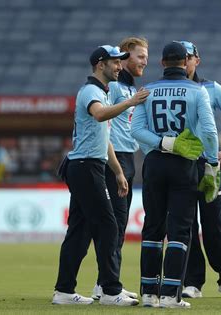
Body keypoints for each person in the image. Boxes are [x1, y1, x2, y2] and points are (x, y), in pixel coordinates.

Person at [52, 45, 146, 306]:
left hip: (87, 165)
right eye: (115, 62)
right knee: (107, 225)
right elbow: (99, 114)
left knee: (79, 231)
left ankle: (64, 291)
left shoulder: (101, 92)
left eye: (120, 62)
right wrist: (128, 102)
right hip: (85, 167)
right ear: (100, 64)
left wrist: (117, 172)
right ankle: (109, 290)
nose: (119, 66)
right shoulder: (92, 92)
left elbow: (104, 138)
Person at [131, 41, 220, 309]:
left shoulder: (147, 91)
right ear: (185, 63)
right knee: (180, 230)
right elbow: (210, 132)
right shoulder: (198, 91)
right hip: (185, 164)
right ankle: (171, 294)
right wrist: (212, 166)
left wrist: (163, 143)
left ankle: (148, 292)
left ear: (162, 63)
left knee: (153, 227)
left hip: (155, 162)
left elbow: (136, 131)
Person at [175, 40, 221, 299]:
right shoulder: (170, 90)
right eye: (181, 58)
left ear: (197, 60)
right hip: (180, 165)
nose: (185, 63)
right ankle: (192, 282)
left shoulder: (211, 88)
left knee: (214, 221)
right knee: (187, 224)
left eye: (189, 58)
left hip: (208, 166)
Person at [91, 37, 150, 300]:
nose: (145, 61)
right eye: (140, 56)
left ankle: (106, 282)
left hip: (128, 159)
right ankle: (106, 286)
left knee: (119, 224)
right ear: (125, 58)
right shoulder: (115, 88)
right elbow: (103, 121)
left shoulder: (129, 88)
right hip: (114, 159)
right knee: (112, 225)